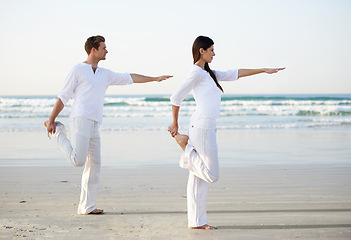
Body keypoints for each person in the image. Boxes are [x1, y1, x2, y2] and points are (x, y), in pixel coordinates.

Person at [45, 35, 172, 215]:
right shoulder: (77, 69)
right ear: (93, 50)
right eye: (104, 47)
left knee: (94, 165)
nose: (107, 50)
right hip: (80, 119)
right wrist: (51, 120)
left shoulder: (105, 74)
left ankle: (87, 206)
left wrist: (155, 78)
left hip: (96, 122)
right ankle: (57, 132)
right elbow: (63, 96)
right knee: (78, 160)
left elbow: (131, 77)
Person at [168, 36, 284, 229]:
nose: (214, 53)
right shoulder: (196, 72)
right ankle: (184, 146)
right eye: (211, 50)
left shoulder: (209, 73)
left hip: (205, 126)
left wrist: (263, 70)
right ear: (202, 51)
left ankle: (196, 222)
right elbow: (176, 96)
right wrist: (175, 123)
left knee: (198, 179)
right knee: (211, 175)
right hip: (202, 126)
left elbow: (235, 73)